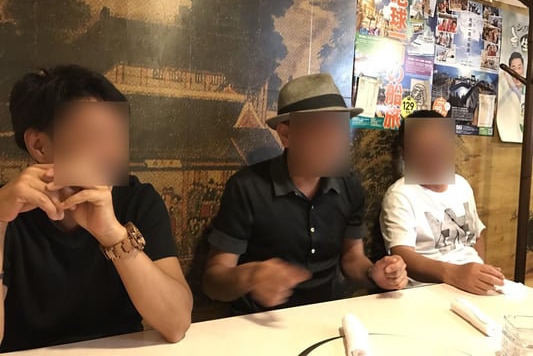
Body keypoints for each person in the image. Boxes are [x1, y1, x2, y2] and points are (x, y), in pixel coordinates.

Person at [0, 65, 192, 352]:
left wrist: (112, 234)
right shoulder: (7, 208)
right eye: (96, 135)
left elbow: (176, 323)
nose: (112, 151)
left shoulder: (137, 199)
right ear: (39, 145)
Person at [202, 73, 408, 315]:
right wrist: (251, 275)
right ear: (286, 135)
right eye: (321, 130)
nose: (336, 142)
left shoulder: (349, 184)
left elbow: (352, 257)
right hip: (258, 321)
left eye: (340, 128)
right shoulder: (247, 187)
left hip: (323, 317)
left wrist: (375, 273)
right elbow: (213, 282)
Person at [380, 110, 505, 295]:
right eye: (423, 147)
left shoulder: (461, 185)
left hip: (471, 285)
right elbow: (402, 255)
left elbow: (477, 235)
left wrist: (480, 270)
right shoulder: (400, 195)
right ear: (404, 153)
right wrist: (454, 274)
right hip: (427, 289)